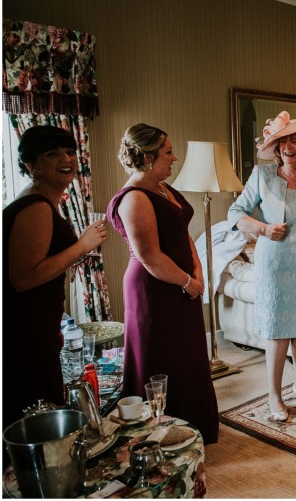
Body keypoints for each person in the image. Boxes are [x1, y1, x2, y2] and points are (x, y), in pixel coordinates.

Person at [107, 123, 219, 444]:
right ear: (147, 156)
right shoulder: (135, 198)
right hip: (155, 290)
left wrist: (198, 272)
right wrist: (187, 281)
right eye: (168, 151)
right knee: (162, 357)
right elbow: (150, 256)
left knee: (188, 355)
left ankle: (193, 426)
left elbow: (184, 234)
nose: (174, 157)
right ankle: (161, 436)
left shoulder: (163, 189)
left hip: (183, 284)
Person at [228, 110, 296, 422]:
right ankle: (275, 395)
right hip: (274, 260)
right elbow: (235, 212)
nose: (289, 146)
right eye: (283, 141)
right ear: (276, 147)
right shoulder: (262, 176)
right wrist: (262, 228)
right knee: (277, 330)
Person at [3, 125, 107, 437]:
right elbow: (23, 278)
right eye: (53, 154)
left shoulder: (44, 201)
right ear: (31, 165)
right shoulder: (35, 207)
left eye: (71, 151)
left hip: (38, 325)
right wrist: (81, 247)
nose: (66, 158)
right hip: (25, 331)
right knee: (36, 413)